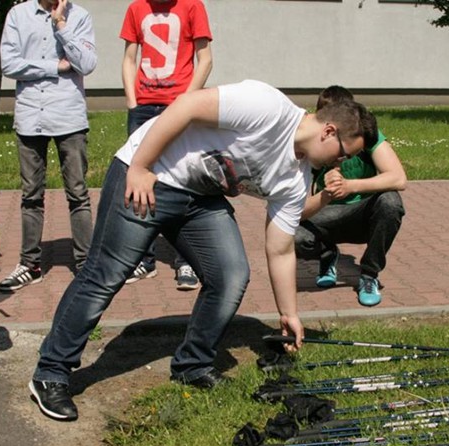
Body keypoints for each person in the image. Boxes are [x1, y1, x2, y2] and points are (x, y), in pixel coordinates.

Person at [27, 79, 377, 421]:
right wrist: (141, 166)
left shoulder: (297, 180)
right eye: (343, 154)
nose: (339, 165)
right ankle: (50, 373)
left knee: (231, 275)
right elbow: (188, 105)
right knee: (106, 273)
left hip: (199, 199)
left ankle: (192, 365)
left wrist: (289, 313)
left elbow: (281, 249)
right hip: (152, 174)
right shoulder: (267, 106)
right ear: (328, 131)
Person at [0, 0, 96, 291]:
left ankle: (86, 263)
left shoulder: (79, 16)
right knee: (31, 195)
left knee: (78, 193)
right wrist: (55, 66)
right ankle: (30, 264)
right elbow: (9, 64)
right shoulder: (18, 15)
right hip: (31, 116)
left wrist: (61, 25)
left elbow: (86, 64)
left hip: (69, 116)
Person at [120, 0, 213, 290]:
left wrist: (186, 102)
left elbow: (205, 59)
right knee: (139, 178)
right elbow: (129, 59)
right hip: (143, 108)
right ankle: (143, 258)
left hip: (178, 106)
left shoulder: (192, 6)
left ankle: (186, 260)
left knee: (183, 178)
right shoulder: (136, 8)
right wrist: (132, 102)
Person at [296, 85, 407, 307]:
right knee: (291, 233)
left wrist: (350, 186)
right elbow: (295, 209)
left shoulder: (367, 137)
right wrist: (326, 192)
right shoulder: (309, 142)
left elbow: (398, 178)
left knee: (390, 201)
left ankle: (369, 275)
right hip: (326, 213)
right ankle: (327, 255)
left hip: (361, 214)